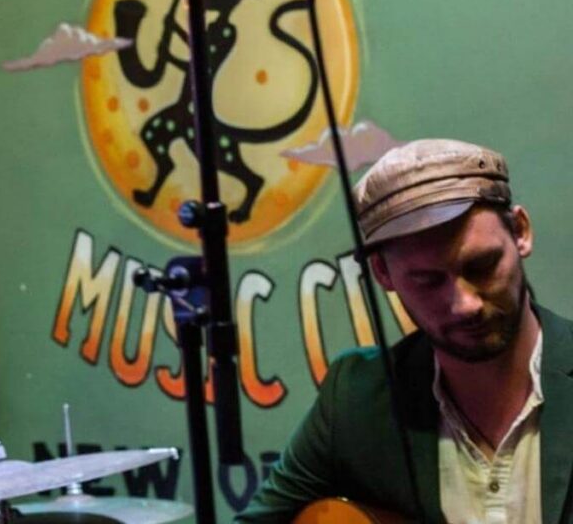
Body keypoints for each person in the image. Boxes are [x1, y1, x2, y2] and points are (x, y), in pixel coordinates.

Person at [237, 138, 573, 524]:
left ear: (521, 232)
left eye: (481, 266)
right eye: (428, 282)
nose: (465, 304)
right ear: (382, 274)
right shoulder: (355, 399)